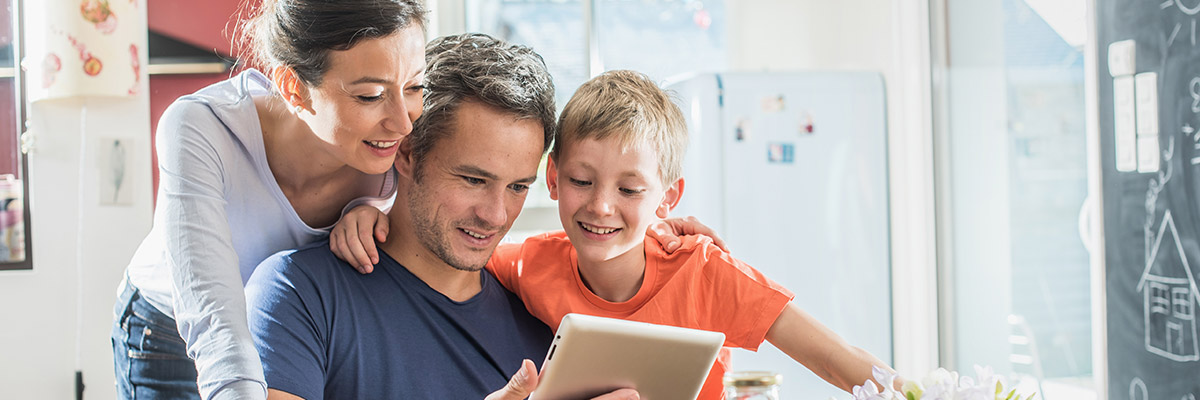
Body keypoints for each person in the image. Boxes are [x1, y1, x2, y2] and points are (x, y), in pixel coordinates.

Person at [245, 33, 638, 400]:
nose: (495, 215)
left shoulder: (544, 326)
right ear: (406, 154)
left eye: (518, 187)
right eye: (473, 179)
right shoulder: (298, 294)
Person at [111, 1, 429, 398]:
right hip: (169, 332)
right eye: (369, 95)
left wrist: (379, 212)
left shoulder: (402, 140)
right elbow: (215, 318)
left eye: (415, 86)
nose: (403, 121)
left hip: (284, 330)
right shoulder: (202, 128)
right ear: (294, 88)